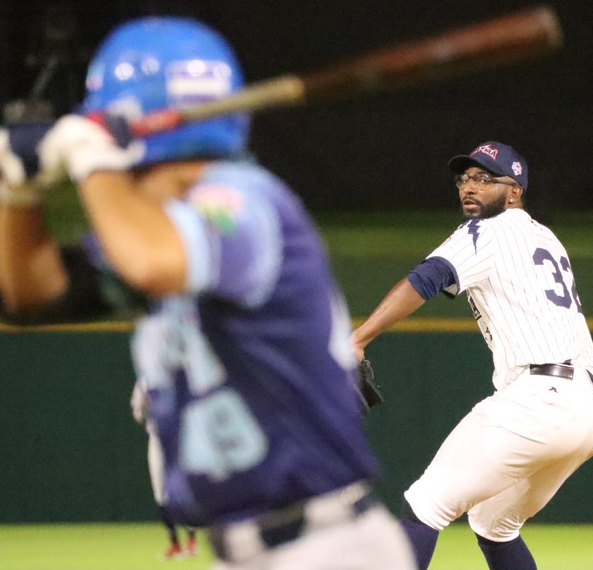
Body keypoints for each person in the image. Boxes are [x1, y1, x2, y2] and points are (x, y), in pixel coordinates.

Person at [0, 17, 415, 570]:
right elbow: (34, 296)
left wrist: (92, 160)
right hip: (250, 548)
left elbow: (152, 265)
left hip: (328, 548)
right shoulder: (170, 226)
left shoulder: (243, 202)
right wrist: (18, 194)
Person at [351, 141, 593, 570]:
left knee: (425, 503)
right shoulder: (545, 236)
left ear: (514, 192)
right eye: (465, 179)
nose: (469, 188)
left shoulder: (488, 231)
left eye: (485, 179)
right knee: (494, 522)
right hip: (590, 408)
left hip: (541, 396)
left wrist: (358, 338)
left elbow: (427, 278)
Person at [130, 378, 198, 559]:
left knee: (185, 489)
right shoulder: (146, 380)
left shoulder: (182, 373)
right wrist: (141, 407)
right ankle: (174, 543)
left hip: (181, 439)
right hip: (157, 438)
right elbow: (137, 413)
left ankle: (192, 541)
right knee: (160, 492)